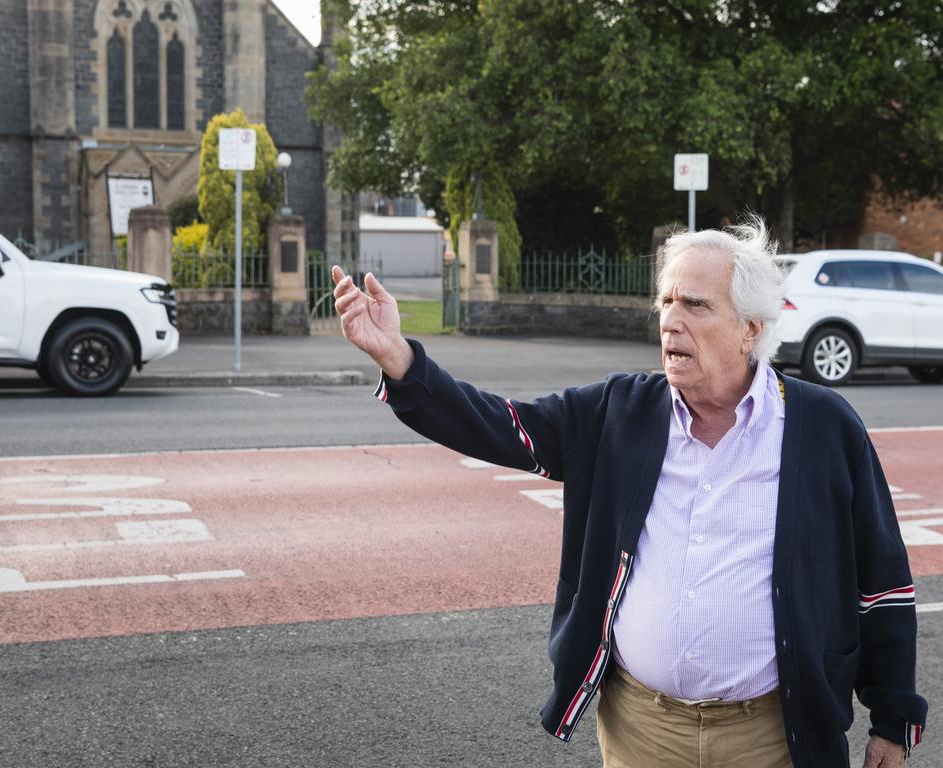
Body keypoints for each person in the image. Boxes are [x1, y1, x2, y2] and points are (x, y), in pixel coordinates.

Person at [331, 219, 926, 768]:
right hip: (644, 731)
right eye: (666, 301)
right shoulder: (621, 411)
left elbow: (882, 579)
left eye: (694, 304)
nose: (670, 319)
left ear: (751, 329)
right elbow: (500, 425)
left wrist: (893, 717)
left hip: (774, 735)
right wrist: (400, 359)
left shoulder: (823, 426)